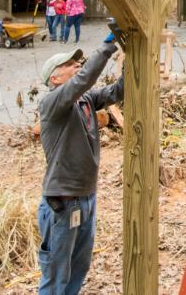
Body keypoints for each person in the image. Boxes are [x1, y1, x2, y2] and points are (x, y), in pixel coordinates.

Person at [37, 38, 123, 294]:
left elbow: (118, 91)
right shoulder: (52, 103)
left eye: (78, 62)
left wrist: (130, 59)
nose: (77, 65)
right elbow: (84, 79)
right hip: (62, 202)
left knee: (79, 266)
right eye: (70, 64)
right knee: (56, 273)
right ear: (55, 79)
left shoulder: (85, 100)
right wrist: (107, 46)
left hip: (86, 198)